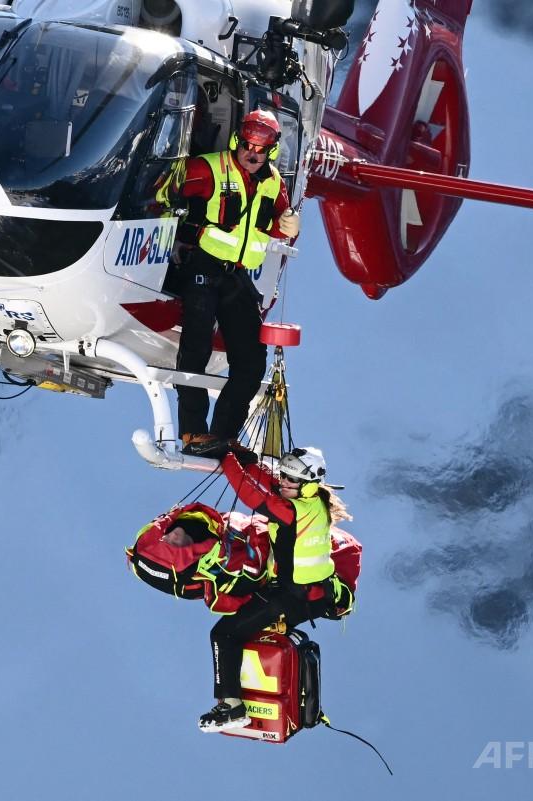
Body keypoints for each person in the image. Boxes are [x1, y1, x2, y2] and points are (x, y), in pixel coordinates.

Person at [163, 109, 302, 459]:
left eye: (259, 149)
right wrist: (179, 238)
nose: (251, 153)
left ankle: (223, 436)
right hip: (202, 264)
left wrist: (288, 226)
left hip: (236, 274)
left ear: (270, 152)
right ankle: (193, 432)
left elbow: (276, 223)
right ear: (237, 140)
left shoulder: (273, 184)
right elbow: (168, 192)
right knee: (196, 343)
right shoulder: (209, 167)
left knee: (252, 359)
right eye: (246, 145)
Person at [198, 446, 351, 732]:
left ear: (307, 485)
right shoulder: (314, 500)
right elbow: (268, 484)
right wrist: (248, 462)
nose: (284, 482)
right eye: (284, 476)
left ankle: (231, 707)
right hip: (312, 595)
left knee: (224, 633)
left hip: (293, 597)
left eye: (291, 480)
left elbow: (252, 495)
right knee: (246, 621)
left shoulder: (291, 509)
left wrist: (227, 459)